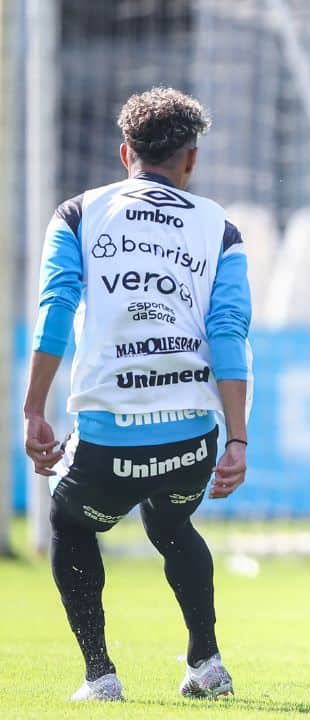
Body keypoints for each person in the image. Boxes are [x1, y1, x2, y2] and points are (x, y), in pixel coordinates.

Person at [23, 87, 251, 701]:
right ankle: (206, 664)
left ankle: (100, 677)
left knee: (70, 523)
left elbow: (55, 308)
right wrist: (237, 438)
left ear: (126, 152)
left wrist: (33, 409)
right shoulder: (220, 229)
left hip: (106, 439)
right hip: (192, 437)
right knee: (171, 518)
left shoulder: (78, 214)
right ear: (191, 161)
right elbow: (229, 335)